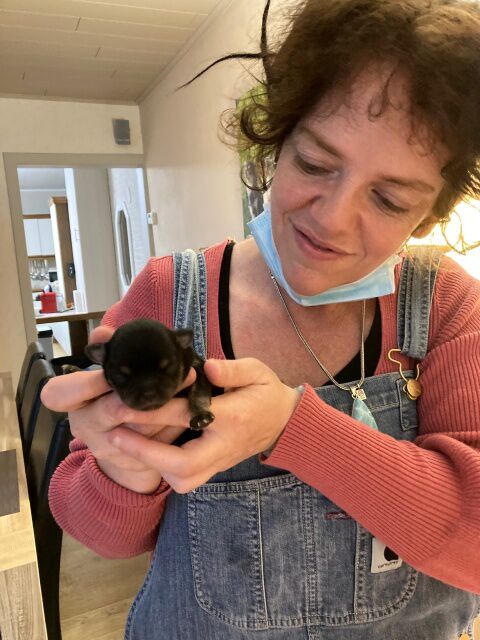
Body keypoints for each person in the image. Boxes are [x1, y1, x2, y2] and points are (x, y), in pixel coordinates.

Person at [42, 1, 480, 638]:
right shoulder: (167, 295)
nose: (331, 219)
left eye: (388, 199)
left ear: (429, 216)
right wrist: (123, 466)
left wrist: (291, 426)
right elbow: (98, 535)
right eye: (314, 164)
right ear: (276, 144)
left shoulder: (447, 306)